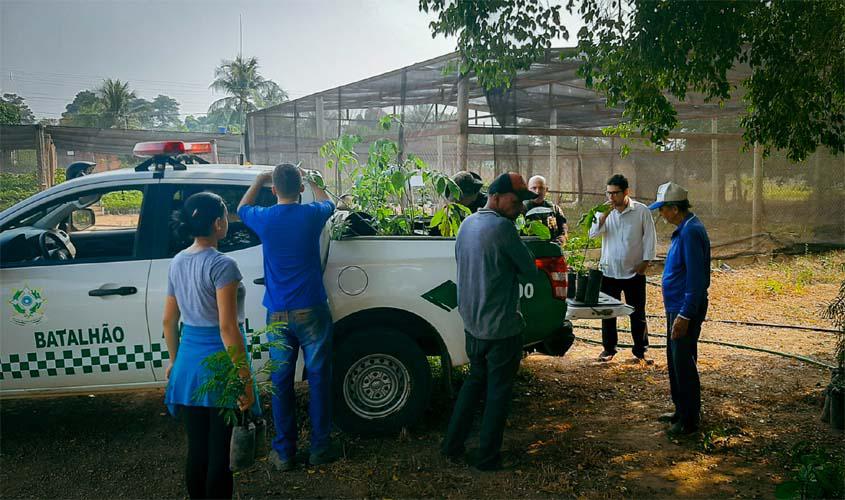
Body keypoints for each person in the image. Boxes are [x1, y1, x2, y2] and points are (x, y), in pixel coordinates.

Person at [237, 164, 338, 471]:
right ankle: (320, 448)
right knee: (319, 379)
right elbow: (330, 203)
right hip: (312, 309)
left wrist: (258, 179)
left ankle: (284, 453)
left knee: (281, 383)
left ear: (273, 190)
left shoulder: (265, 218)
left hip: (278, 313)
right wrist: (315, 180)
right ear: (301, 189)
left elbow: (242, 208)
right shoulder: (310, 215)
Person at [163, 192, 258, 499]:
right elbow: (227, 328)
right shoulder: (223, 265)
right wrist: (245, 380)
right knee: (220, 453)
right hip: (219, 365)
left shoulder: (177, 261)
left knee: (197, 450)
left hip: (188, 366)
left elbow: (169, 320)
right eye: (226, 216)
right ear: (218, 223)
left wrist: (174, 361)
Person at [441, 172, 539, 471]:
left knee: (474, 383)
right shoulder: (503, 229)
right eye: (515, 201)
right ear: (495, 197)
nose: (520, 208)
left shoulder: (467, 224)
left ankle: (452, 445)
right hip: (501, 329)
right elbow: (530, 270)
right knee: (498, 394)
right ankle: (487, 458)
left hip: (473, 325)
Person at [648, 182, 711, 435]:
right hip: (676, 305)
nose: (661, 214)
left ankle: (689, 420)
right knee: (675, 360)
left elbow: (696, 279)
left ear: (674, 208)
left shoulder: (691, 232)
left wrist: (685, 314)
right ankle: (680, 410)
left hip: (684, 308)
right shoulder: (684, 229)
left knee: (683, 362)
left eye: (663, 209)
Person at [589, 174, 657, 362]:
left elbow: (649, 238)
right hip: (609, 271)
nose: (611, 197)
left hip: (634, 272)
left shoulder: (641, 211)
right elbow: (592, 234)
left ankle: (641, 350)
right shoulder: (602, 212)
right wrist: (603, 216)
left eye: (615, 193)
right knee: (608, 312)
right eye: (608, 193)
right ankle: (608, 349)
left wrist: (645, 264)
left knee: (637, 312)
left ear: (626, 192)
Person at [524, 175, 567, 244]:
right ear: (528, 190)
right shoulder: (520, 210)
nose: (537, 191)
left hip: (552, 247)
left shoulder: (555, 209)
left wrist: (557, 243)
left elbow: (563, 232)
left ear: (546, 190)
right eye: (534, 188)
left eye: (541, 188)